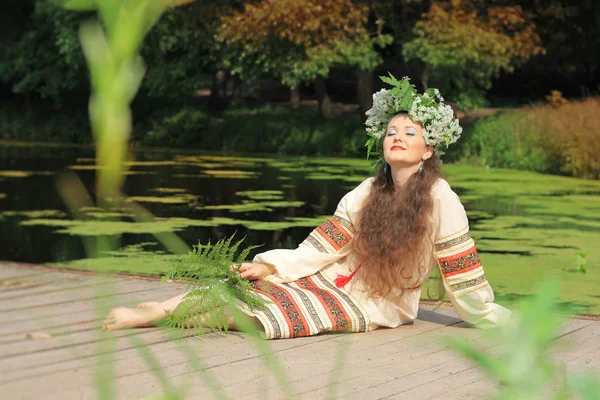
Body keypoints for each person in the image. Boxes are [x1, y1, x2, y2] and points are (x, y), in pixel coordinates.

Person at [102, 75, 511, 337]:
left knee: (270, 312)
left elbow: (463, 273)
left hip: (379, 302)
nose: (397, 137)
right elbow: (322, 246)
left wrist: (499, 319)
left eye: (409, 132)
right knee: (250, 285)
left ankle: (155, 316)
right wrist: (271, 266)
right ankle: (161, 306)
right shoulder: (368, 190)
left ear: (428, 149)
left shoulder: (441, 197)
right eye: (390, 132)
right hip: (333, 276)